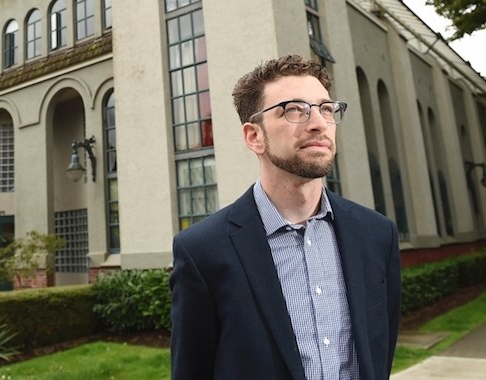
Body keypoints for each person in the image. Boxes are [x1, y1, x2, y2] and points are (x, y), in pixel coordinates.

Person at [169, 54, 401, 380]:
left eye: (326, 109)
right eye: (294, 109)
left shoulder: (378, 235)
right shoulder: (202, 251)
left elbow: (380, 353)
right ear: (254, 136)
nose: (319, 122)